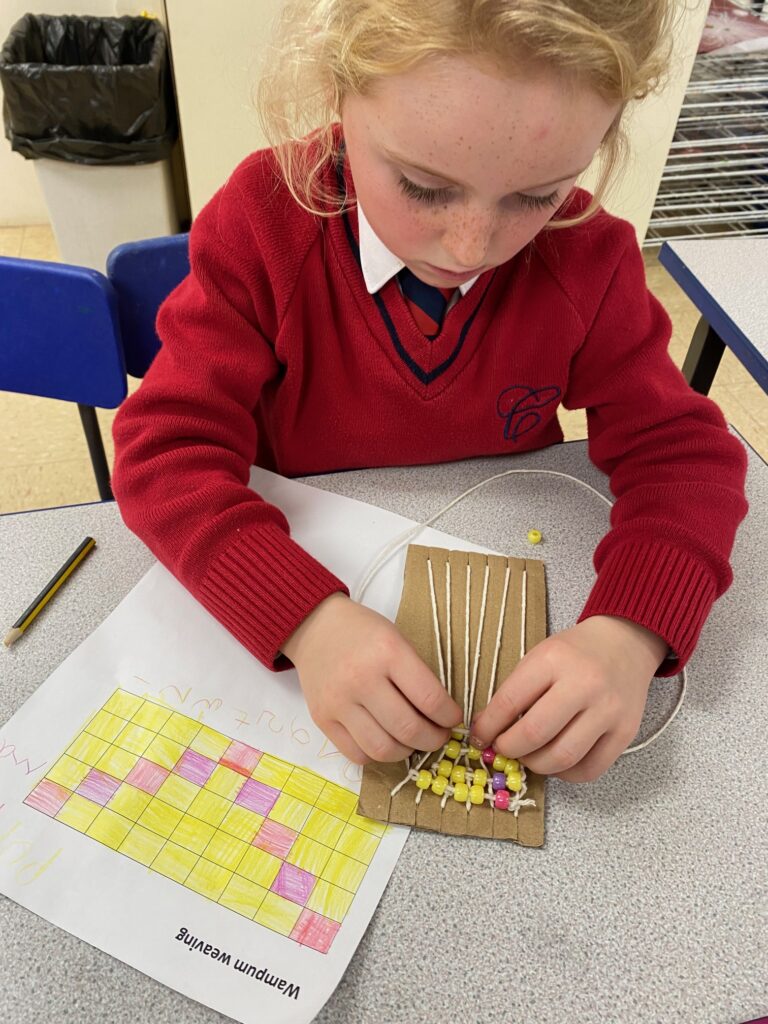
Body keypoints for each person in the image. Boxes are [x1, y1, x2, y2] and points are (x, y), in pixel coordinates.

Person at [112, 0, 748, 785]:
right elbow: (165, 453)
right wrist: (305, 620)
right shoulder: (263, 222)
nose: (472, 246)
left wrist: (631, 629)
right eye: (422, 186)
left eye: (537, 195)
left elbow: (686, 458)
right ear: (338, 94)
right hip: (300, 567)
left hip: (496, 565)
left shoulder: (589, 259)